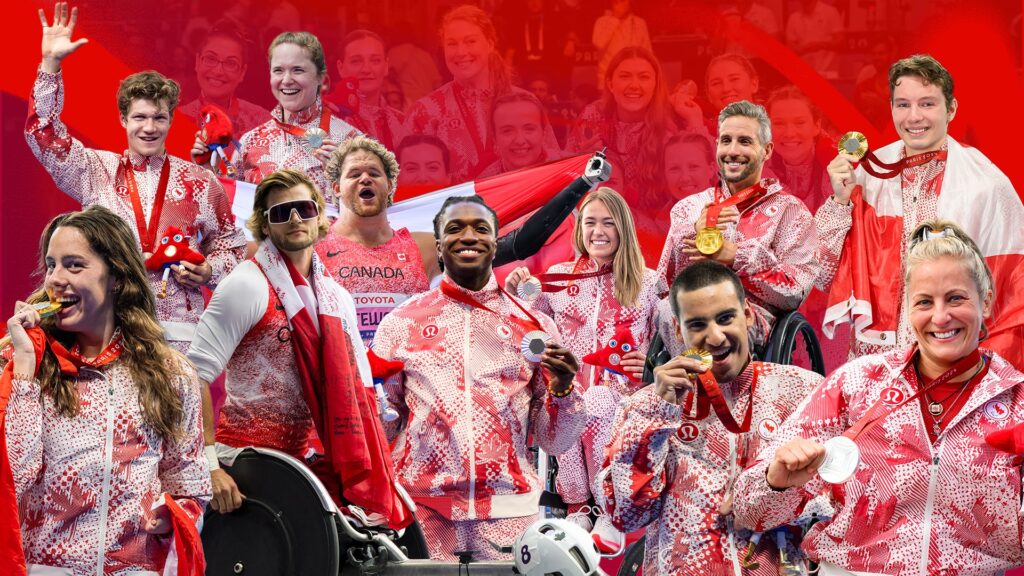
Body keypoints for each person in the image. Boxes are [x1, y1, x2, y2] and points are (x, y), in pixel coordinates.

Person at [734, 221, 1024, 574]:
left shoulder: (1016, 401)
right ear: (907, 307)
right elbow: (750, 509)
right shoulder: (858, 382)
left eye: (956, 298)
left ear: (987, 300)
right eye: (924, 302)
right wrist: (776, 481)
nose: (940, 316)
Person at [186, 168, 410, 527]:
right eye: (280, 212)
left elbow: (358, 390)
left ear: (319, 215)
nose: (293, 219)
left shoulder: (336, 297)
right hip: (241, 468)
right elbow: (190, 377)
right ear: (264, 223)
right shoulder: (247, 284)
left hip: (304, 466)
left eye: (303, 209)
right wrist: (209, 466)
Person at [372, 195, 587, 560]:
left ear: (495, 243)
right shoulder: (401, 323)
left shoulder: (533, 326)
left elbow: (556, 440)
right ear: (439, 248)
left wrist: (564, 389)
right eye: (455, 229)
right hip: (422, 510)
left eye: (480, 229)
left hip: (508, 511)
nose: (468, 236)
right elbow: (380, 424)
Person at [26, 2, 247, 352]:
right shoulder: (94, 169)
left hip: (180, 334)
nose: (149, 128)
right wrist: (50, 65)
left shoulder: (201, 182)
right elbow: (44, 134)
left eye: (159, 118)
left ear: (171, 121)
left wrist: (208, 271)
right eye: (140, 117)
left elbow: (231, 249)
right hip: (110, 326)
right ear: (122, 120)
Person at [4, 205, 210, 573]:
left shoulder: (170, 372)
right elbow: (11, 481)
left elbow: (190, 485)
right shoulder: (27, 366)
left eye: (74, 265)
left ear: (115, 276)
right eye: (51, 265)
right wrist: (23, 372)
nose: (56, 279)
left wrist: (169, 514)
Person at [601, 260, 822, 574]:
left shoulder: (804, 392)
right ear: (678, 329)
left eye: (725, 318)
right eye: (698, 324)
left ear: (747, 315)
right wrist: (658, 416)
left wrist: (773, 493)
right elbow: (628, 516)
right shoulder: (642, 406)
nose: (716, 337)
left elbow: (838, 502)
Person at [819, 54, 1024, 367]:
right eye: (903, 105)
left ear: (951, 109)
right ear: (891, 108)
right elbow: (820, 273)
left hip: (954, 363)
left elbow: (1015, 293)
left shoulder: (987, 185)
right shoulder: (868, 175)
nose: (914, 117)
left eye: (927, 104)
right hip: (878, 362)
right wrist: (839, 201)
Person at [319, 135, 610, 346]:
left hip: (405, 384)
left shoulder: (423, 246)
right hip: (338, 384)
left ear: (390, 185)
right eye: (354, 174)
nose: (365, 179)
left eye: (374, 173)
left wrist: (582, 183)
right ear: (336, 187)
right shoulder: (315, 248)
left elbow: (518, 245)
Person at [504, 187, 665, 554]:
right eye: (590, 222)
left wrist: (652, 368)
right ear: (579, 230)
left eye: (608, 223)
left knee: (595, 400)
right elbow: (524, 322)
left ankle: (608, 510)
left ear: (623, 228)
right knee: (568, 403)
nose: (598, 231)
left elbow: (671, 343)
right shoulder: (558, 279)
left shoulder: (649, 283)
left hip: (626, 400)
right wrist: (517, 288)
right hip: (568, 393)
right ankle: (577, 506)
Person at [658, 100, 819, 353]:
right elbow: (665, 286)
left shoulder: (791, 212)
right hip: (690, 320)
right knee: (667, 310)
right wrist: (692, 234)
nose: (732, 151)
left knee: (723, 317)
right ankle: (692, 388)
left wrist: (736, 256)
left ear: (767, 150)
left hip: (749, 319)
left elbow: (794, 292)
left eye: (744, 142)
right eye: (726, 140)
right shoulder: (688, 209)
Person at [192, 31, 360, 194]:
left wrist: (340, 178)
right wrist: (208, 169)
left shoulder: (351, 141)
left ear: (319, 77)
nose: (286, 80)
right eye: (278, 70)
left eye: (298, 70)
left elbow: (377, 209)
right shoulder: (250, 142)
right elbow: (232, 206)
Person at [404, 5, 559, 182]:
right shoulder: (425, 112)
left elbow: (551, 165)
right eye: (452, 44)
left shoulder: (525, 103)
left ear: (490, 44)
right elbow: (411, 184)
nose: (461, 52)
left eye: (470, 41)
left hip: (522, 206)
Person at [566, 46, 677, 260]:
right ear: (610, 83)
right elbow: (567, 180)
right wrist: (579, 160)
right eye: (625, 76)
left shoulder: (668, 127)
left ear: (655, 84)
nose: (634, 85)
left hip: (649, 234)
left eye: (644, 77)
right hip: (597, 225)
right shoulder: (593, 116)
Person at [178, 20, 271, 141]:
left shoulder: (260, 121)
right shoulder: (177, 121)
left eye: (230, 63)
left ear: (242, 72)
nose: (218, 71)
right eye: (211, 58)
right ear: (197, 62)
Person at [334, 29, 408, 151]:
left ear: (386, 66)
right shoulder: (327, 122)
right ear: (340, 68)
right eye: (356, 61)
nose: (366, 69)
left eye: (375, 60)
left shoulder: (402, 123)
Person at [478, 91, 562, 177]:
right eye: (507, 131)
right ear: (494, 138)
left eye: (529, 129)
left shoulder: (566, 174)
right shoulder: (484, 182)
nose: (519, 141)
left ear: (543, 133)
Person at [591, 0, 652, 87]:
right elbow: (599, 44)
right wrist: (615, 18)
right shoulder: (601, 21)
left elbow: (647, 53)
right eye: (617, 2)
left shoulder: (639, 23)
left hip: (634, 80)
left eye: (623, 1)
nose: (620, 4)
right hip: (609, 79)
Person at [785, 0, 843, 79]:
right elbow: (790, 50)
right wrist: (805, 49)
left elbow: (841, 42)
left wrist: (821, 45)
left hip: (828, 73)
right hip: (803, 74)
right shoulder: (793, 18)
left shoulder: (830, 12)